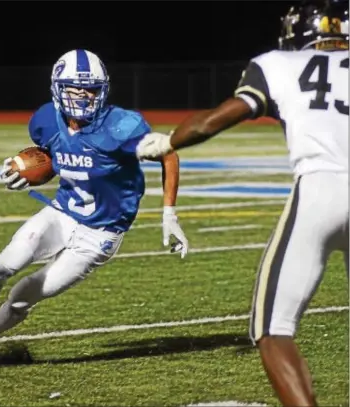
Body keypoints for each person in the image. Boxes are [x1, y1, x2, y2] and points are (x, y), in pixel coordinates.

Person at [0, 49, 189, 371]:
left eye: (90, 89)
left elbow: (169, 154)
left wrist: (169, 212)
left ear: (103, 90)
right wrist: (25, 169)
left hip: (101, 231)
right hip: (62, 212)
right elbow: (52, 156)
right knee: (7, 262)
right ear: (58, 87)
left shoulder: (122, 126)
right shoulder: (45, 119)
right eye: (74, 87)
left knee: (25, 294)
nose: (83, 96)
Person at [136, 1, 349, 405]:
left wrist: (169, 142)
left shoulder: (277, 64)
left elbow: (212, 120)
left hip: (319, 192)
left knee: (273, 329)